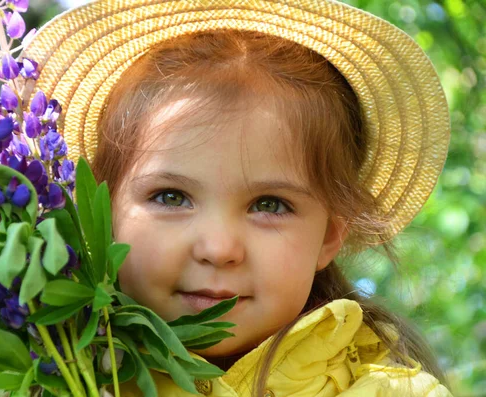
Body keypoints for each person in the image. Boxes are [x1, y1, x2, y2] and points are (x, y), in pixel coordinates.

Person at [23, 0, 454, 395]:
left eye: (269, 204)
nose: (219, 249)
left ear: (330, 234)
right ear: (102, 211)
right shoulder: (53, 373)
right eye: (171, 197)